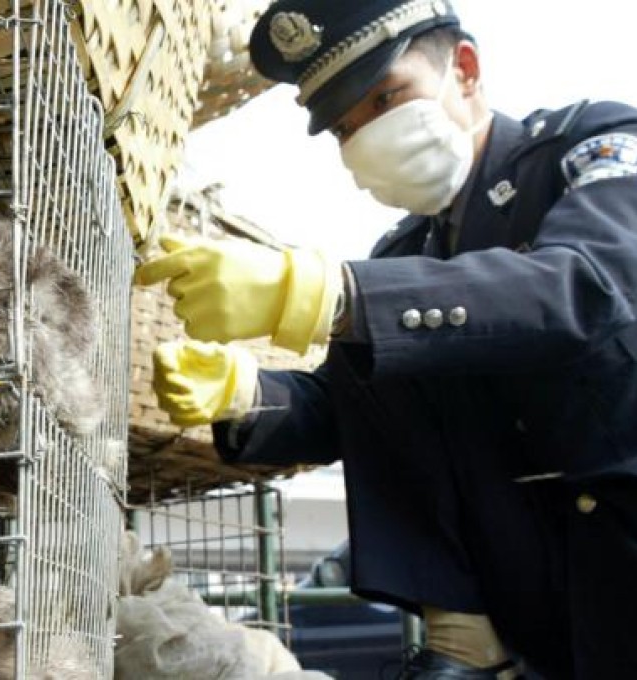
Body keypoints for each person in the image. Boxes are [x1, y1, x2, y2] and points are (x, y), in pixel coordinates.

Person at [133, 0, 637, 678]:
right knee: (379, 339)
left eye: (385, 97)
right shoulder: (402, 253)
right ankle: (460, 635)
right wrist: (246, 392)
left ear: (465, 69)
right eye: (346, 126)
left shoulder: (590, 147)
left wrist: (327, 294)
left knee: (379, 309)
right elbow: (354, 410)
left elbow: (590, 284)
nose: (367, 134)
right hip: (537, 592)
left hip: (621, 533)